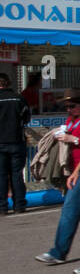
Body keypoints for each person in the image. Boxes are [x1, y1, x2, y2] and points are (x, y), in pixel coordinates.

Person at [34, 91, 80, 273]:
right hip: (73, 171)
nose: (69, 109)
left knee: (70, 211)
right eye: (66, 106)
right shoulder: (72, 120)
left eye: (72, 105)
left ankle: (60, 252)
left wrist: (72, 139)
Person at [0, 72, 30, 215]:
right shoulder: (19, 99)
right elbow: (26, 118)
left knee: (1, 175)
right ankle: (19, 205)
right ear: (8, 83)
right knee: (17, 174)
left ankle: (2, 207)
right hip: (17, 141)